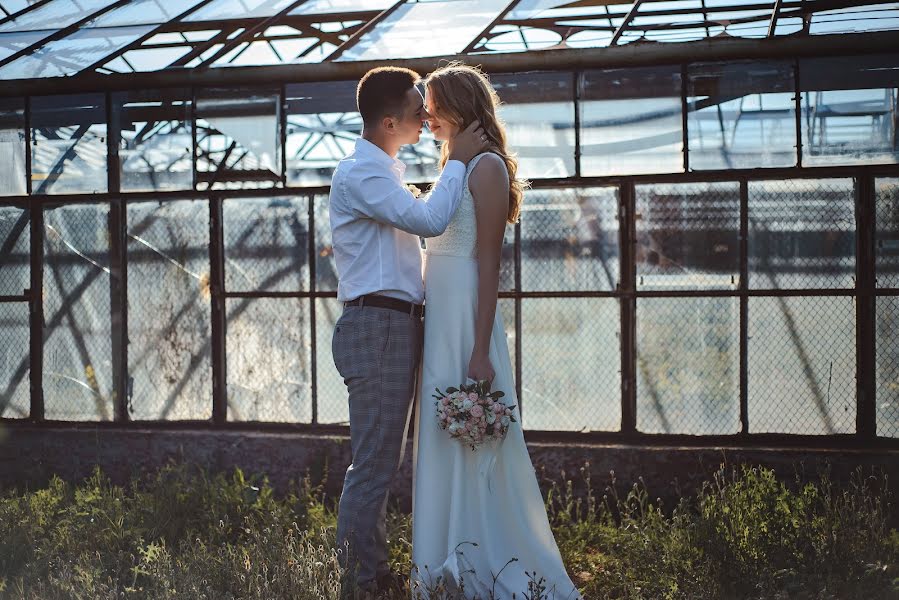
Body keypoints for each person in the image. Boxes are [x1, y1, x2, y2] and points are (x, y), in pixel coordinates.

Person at [411, 63, 581, 599]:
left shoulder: (485, 166)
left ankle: (482, 560)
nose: (426, 114)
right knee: (443, 432)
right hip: (441, 314)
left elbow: (489, 264)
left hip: (466, 315)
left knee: (471, 434)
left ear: (460, 105)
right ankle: (441, 563)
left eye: (434, 105)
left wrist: (480, 349)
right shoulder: (457, 162)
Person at [328, 65, 487, 599]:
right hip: (377, 327)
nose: (426, 117)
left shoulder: (383, 173)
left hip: (392, 325)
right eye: (418, 109)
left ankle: (371, 573)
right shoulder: (363, 175)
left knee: (380, 461)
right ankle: (359, 584)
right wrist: (459, 163)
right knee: (373, 464)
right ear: (390, 119)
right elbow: (429, 222)